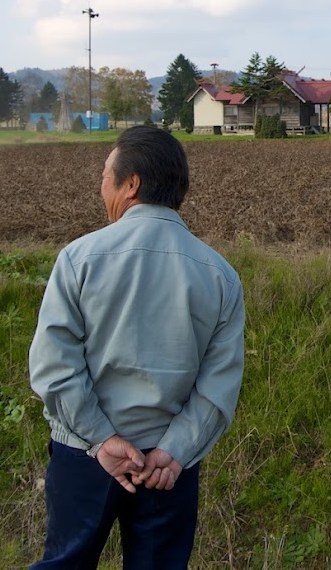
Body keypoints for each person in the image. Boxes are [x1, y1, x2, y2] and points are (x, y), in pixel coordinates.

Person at [29, 125, 245, 569]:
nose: (100, 184)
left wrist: (102, 440)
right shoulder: (220, 275)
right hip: (168, 469)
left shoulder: (79, 259)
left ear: (132, 185)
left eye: (106, 174)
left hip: (84, 455)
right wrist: (176, 450)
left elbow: (55, 367)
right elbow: (218, 383)